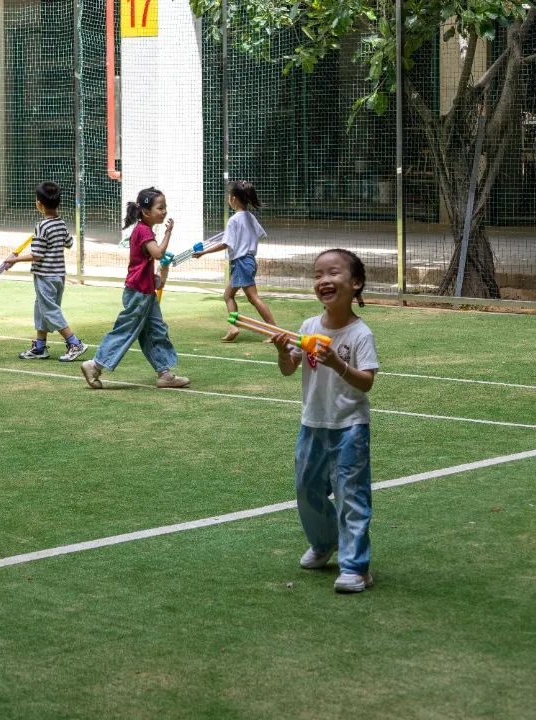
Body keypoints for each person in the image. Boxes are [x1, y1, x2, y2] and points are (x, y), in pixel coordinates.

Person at [271, 249, 379, 593]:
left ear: (355, 282)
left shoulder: (360, 334)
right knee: (307, 489)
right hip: (313, 424)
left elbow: (366, 381)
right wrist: (282, 352)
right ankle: (324, 542)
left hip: (350, 428)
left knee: (351, 496)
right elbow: (289, 369)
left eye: (333, 273)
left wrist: (337, 363)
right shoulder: (308, 327)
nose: (324, 281)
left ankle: (356, 567)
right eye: (318, 275)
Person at [79, 187, 190, 389]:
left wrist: (158, 275)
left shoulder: (144, 229)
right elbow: (157, 253)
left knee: (155, 331)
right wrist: (168, 233)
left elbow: (149, 260)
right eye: (160, 208)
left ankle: (164, 373)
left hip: (145, 291)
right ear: (146, 212)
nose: (164, 211)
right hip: (138, 293)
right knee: (126, 330)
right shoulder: (143, 230)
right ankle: (95, 365)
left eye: (165, 207)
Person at [5, 181, 88, 362]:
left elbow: (37, 255)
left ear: (39, 204)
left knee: (50, 311)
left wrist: (14, 260)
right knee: (41, 309)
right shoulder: (60, 223)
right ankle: (40, 347)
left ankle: (74, 343)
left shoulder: (42, 226)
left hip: (45, 276)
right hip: (58, 276)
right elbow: (69, 243)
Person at [193, 180, 277, 342]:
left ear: (233, 199)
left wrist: (204, 252)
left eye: (229, 196)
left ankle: (274, 331)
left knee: (253, 298)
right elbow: (260, 234)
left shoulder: (234, 220)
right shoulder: (250, 217)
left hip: (241, 262)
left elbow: (225, 244)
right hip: (248, 261)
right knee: (228, 295)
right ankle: (234, 327)